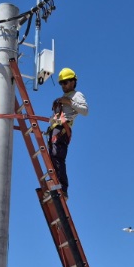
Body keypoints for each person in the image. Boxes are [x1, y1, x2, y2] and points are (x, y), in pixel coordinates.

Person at [47, 67, 89, 197]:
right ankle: (55, 184)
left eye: (65, 82)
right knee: (52, 158)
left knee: (57, 156)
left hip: (62, 130)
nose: (63, 86)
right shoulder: (63, 97)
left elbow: (85, 110)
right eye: (61, 83)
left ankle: (62, 189)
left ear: (73, 82)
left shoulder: (76, 95)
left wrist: (69, 102)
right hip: (55, 129)